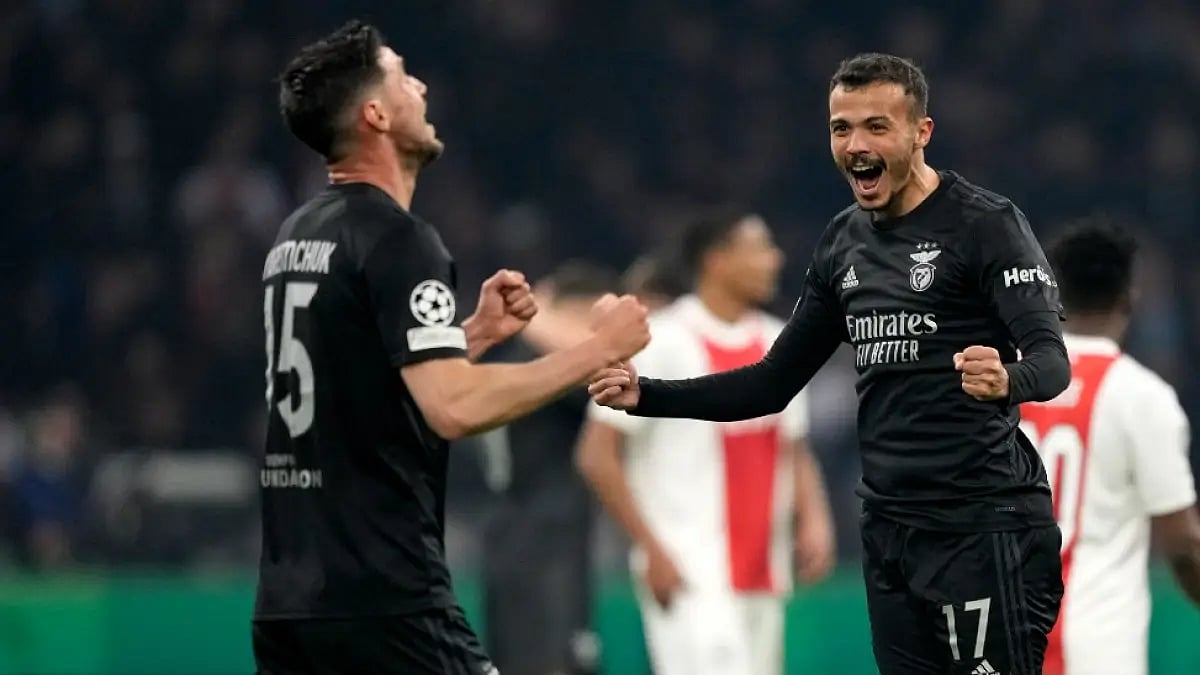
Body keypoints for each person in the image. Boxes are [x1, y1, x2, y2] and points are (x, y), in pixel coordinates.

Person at [589, 53, 1071, 675]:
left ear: (921, 132)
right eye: (841, 128)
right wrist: (646, 394)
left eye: (877, 126)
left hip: (981, 523)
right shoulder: (844, 242)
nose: (855, 144)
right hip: (890, 530)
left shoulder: (986, 225)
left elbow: (1052, 361)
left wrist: (1011, 377)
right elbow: (771, 383)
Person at [253, 20, 650, 675]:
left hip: (291, 602)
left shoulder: (298, 234)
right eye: (403, 76)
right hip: (387, 598)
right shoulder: (399, 239)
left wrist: (468, 337)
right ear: (375, 113)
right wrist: (595, 350)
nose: (422, 86)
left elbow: (357, 387)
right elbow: (452, 408)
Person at [577, 209, 835, 675]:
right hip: (688, 568)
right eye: (760, 248)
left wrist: (814, 518)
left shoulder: (779, 341)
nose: (775, 259)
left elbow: (793, 446)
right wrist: (650, 548)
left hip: (763, 568)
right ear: (718, 261)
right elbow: (596, 454)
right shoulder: (664, 339)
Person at [1019, 218, 1200, 675]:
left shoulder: (1004, 384)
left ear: (1053, 298)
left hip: (1006, 639)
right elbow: (1182, 547)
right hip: (1098, 649)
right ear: (1128, 300)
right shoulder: (1142, 397)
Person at [479, 260, 622, 675]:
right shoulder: (556, 369)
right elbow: (602, 367)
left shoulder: (516, 365)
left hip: (511, 535)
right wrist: (539, 312)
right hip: (548, 543)